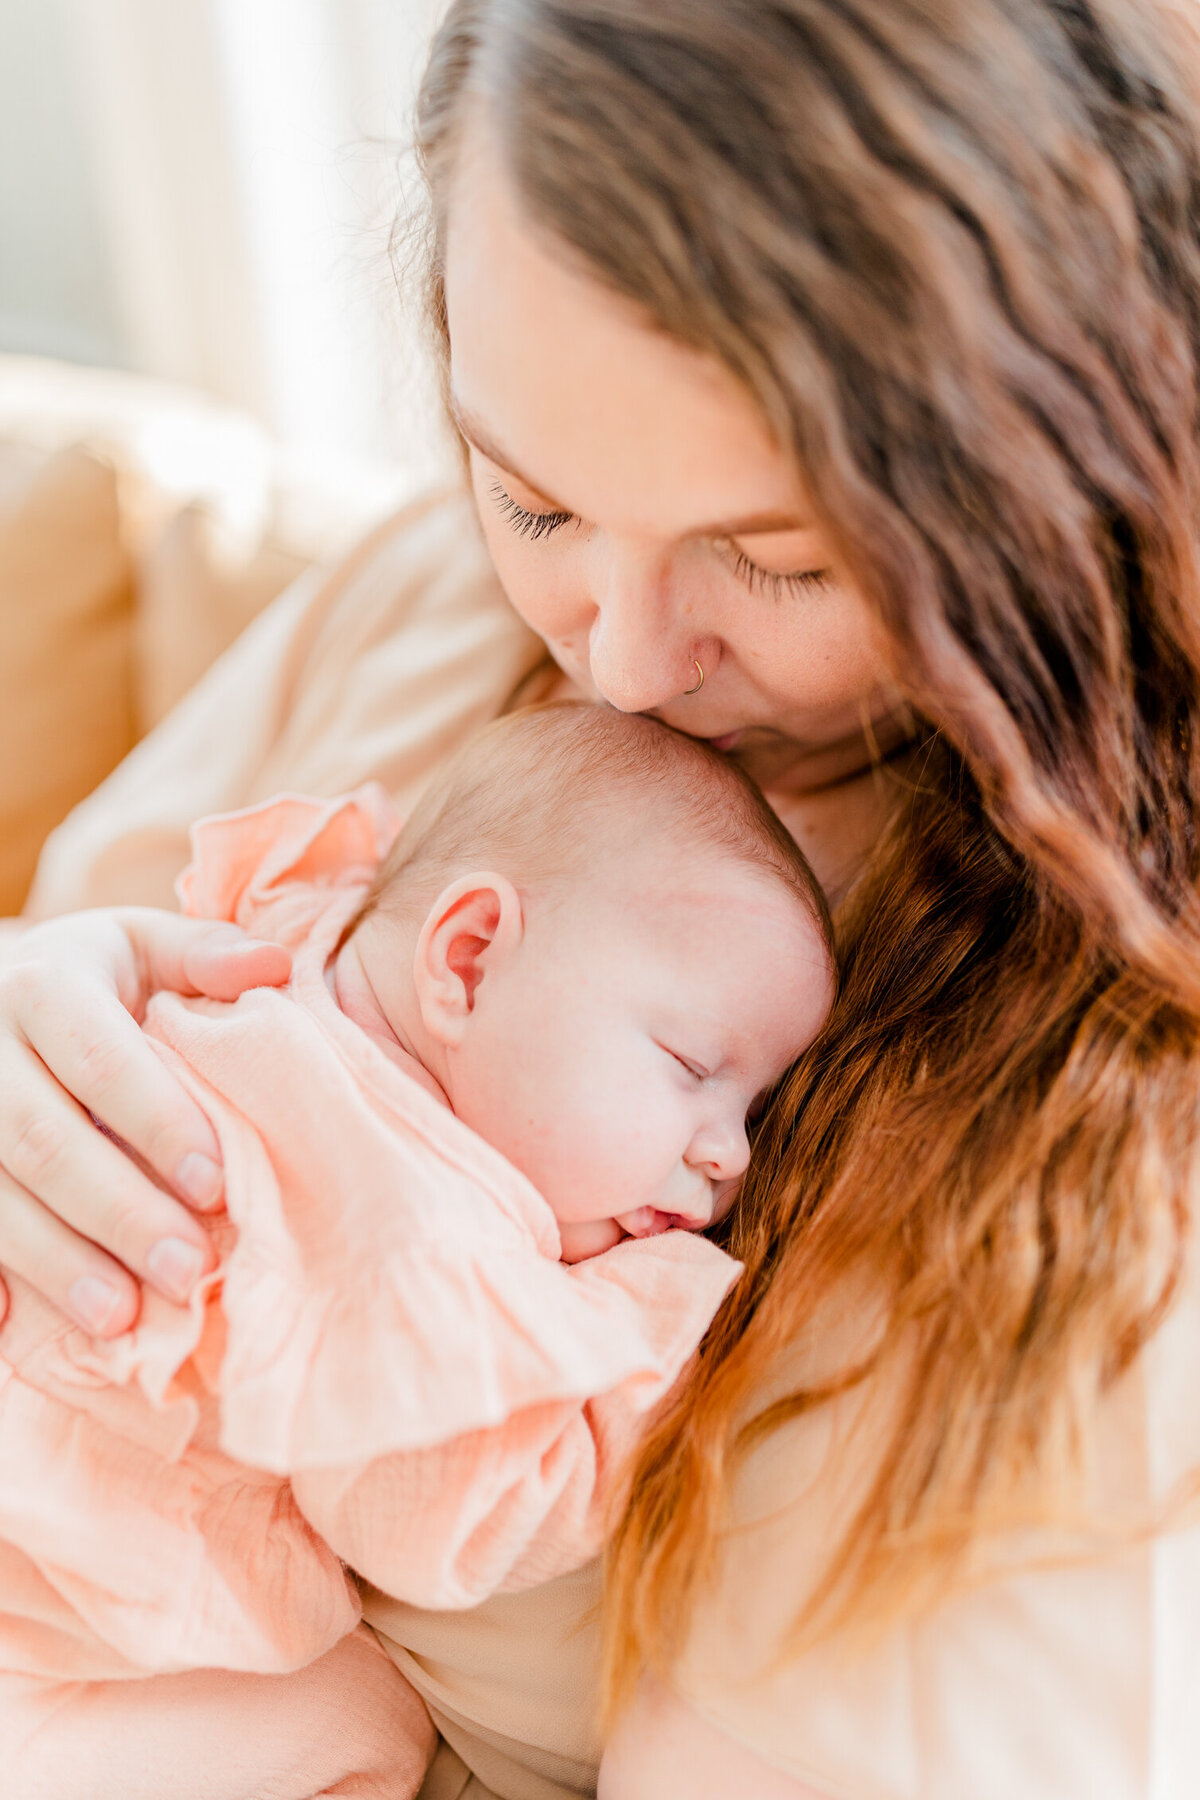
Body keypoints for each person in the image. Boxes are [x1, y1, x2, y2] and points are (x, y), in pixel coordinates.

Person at [3, 1, 1200, 1794]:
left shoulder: (1107, 1149)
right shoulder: (429, 599)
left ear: (1051, 471)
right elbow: (78, 947)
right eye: (537, 503)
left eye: (778, 555)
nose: (624, 665)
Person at [2, 703, 831, 1799]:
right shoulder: (415, 1220)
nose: (727, 1155)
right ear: (471, 956)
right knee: (356, 1714)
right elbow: (453, 1528)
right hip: (47, 1626)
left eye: (755, 1110)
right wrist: (654, 1308)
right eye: (690, 1065)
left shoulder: (277, 963)